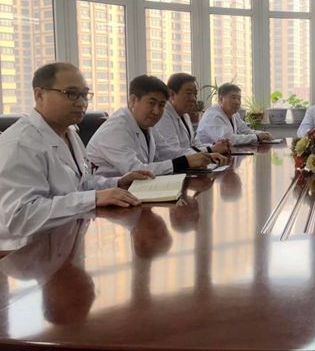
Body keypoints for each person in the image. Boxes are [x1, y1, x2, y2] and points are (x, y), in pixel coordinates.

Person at [0, 63, 149, 240]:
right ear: (39, 95)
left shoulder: (70, 132)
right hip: (26, 249)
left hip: (66, 238)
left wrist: (118, 183)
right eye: (71, 93)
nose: (81, 103)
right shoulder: (21, 143)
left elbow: (81, 184)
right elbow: (20, 216)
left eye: (84, 95)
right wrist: (93, 199)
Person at [87, 74, 227, 176]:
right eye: (151, 103)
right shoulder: (116, 128)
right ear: (133, 100)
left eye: (161, 105)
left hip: (132, 191)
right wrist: (185, 162)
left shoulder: (146, 123)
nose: (156, 111)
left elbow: (166, 152)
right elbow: (135, 170)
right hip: (105, 197)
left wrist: (204, 155)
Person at [154, 72, 230, 160]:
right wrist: (211, 149)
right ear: (171, 94)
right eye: (189, 93)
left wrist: (215, 146)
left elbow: (195, 145)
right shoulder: (163, 115)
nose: (194, 98)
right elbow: (173, 153)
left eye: (195, 94)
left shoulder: (185, 115)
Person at [197, 83, 273, 145]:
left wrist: (263, 134)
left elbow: (245, 131)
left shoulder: (234, 114)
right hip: (207, 156)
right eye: (233, 98)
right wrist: (257, 137)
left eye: (239, 99)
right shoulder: (213, 116)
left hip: (224, 154)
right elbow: (228, 140)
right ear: (220, 99)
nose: (237, 102)